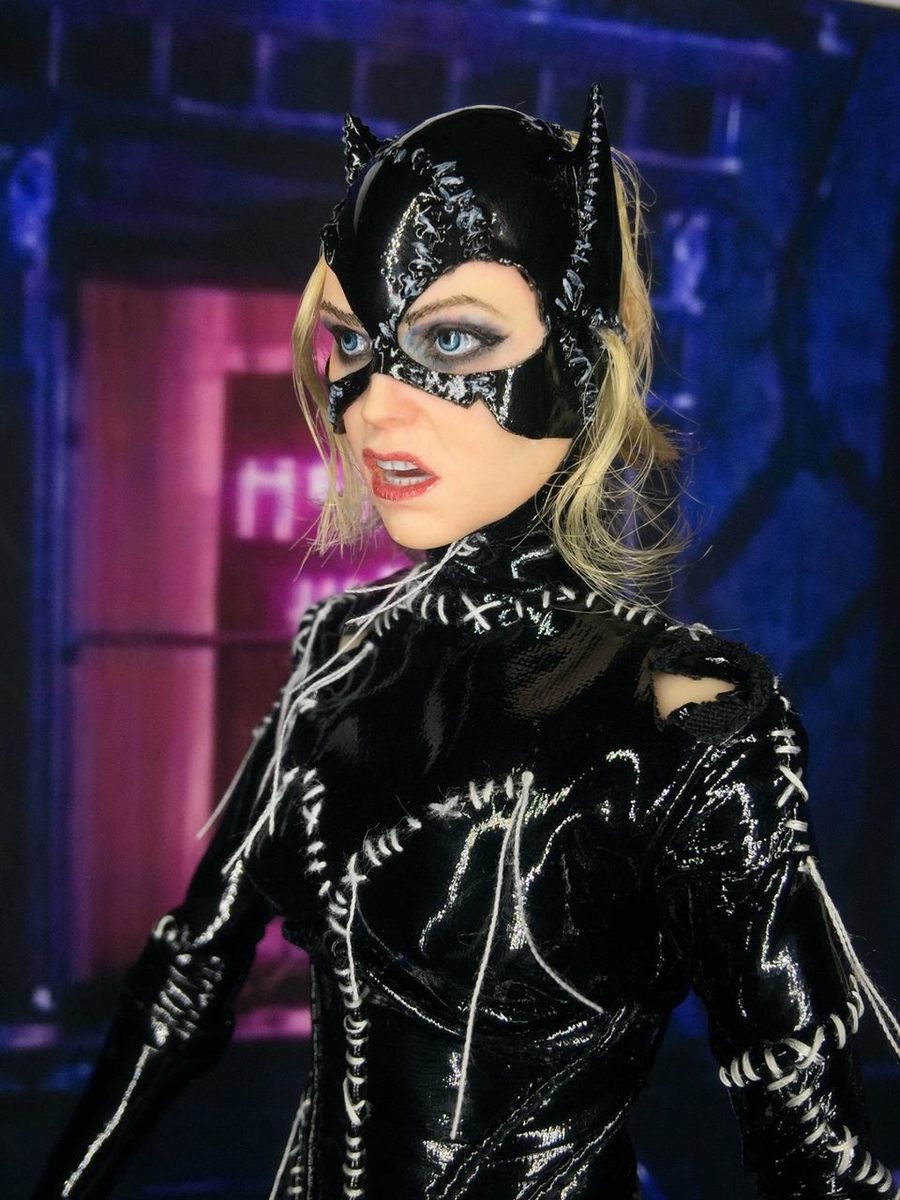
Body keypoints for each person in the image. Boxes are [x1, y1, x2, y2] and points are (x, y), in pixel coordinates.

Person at [32, 83, 899, 1200]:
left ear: (581, 363)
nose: (372, 407)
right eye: (353, 341)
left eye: (453, 338)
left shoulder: (686, 713)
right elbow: (189, 978)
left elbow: (813, 1152)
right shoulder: (342, 653)